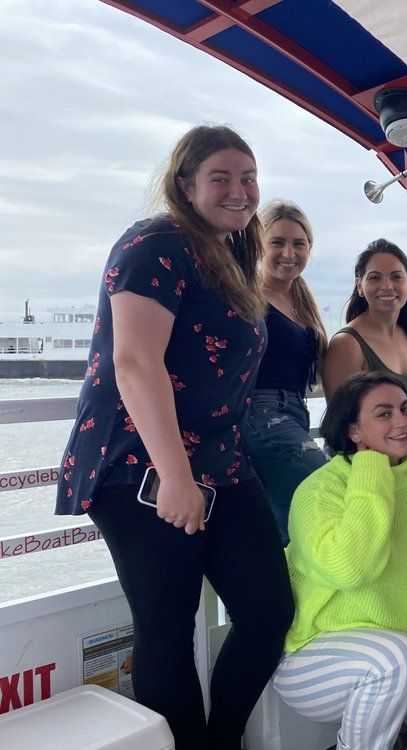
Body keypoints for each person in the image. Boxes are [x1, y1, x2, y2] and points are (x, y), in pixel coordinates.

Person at [54, 125, 294, 750]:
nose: (240, 191)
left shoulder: (228, 254)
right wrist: (176, 476)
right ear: (186, 185)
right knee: (166, 629)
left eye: (249, 178)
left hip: (222, 462)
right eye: (221, 178)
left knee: (268, 613)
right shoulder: (154, 244)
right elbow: (135, 363)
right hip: (142, 467)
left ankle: (220, 742)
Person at [274, 371, 407, 750]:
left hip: (394, 639)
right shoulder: (318, 491)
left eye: (405, 409)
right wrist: (371, 471)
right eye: (384, 414)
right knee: (401, 659)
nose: (402, 421)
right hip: (314, 654)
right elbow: (351, 569)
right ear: (353, 431)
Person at [243, 200, 327, 545]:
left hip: (294, 414)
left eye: (299, 244)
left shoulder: (302, 304)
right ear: (259, 245)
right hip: (259, 416)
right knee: (325, 484)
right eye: (277, 242)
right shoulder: (246, 297)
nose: (289, 253)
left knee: (284, 524)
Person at [322, 239, 407, 402]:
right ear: (360, 287)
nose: (387, 286)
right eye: (375, 278)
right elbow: (338, 415)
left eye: (396, 277)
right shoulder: (347, 344)